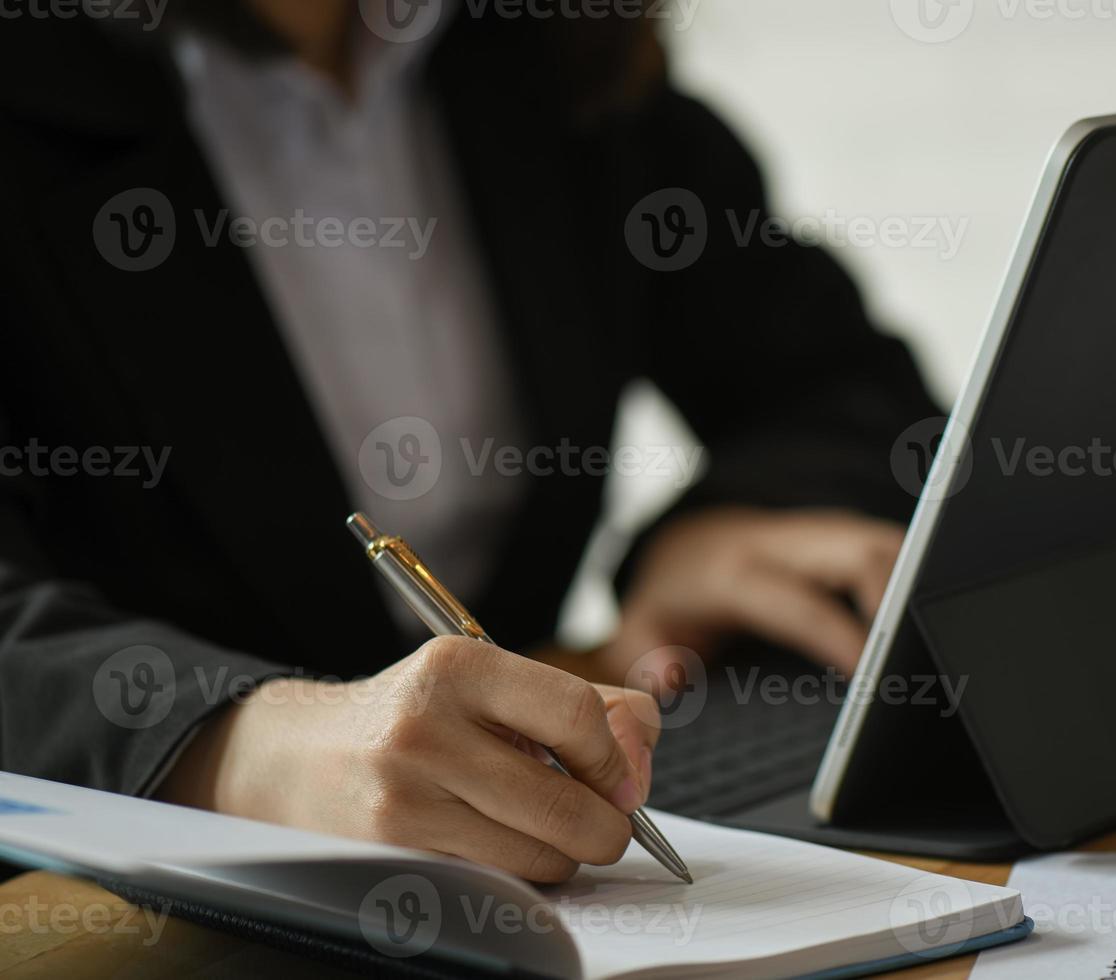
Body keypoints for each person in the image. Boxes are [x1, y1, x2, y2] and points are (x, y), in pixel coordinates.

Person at [0, 0, 940, 882]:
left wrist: (734, 519)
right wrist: (233, 746)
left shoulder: (535, 47)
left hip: (524, 886)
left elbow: (848, 392)